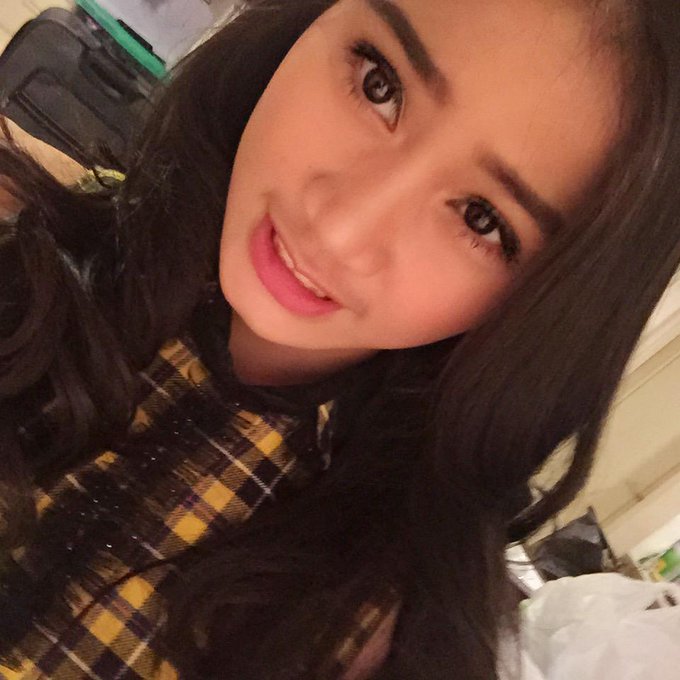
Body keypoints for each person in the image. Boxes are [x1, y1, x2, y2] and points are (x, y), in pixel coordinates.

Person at [0, 0, 679, 678]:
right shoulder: (37, 239)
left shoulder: (371, 628)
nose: (340, 229)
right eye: (380, 84)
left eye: (481, 218)